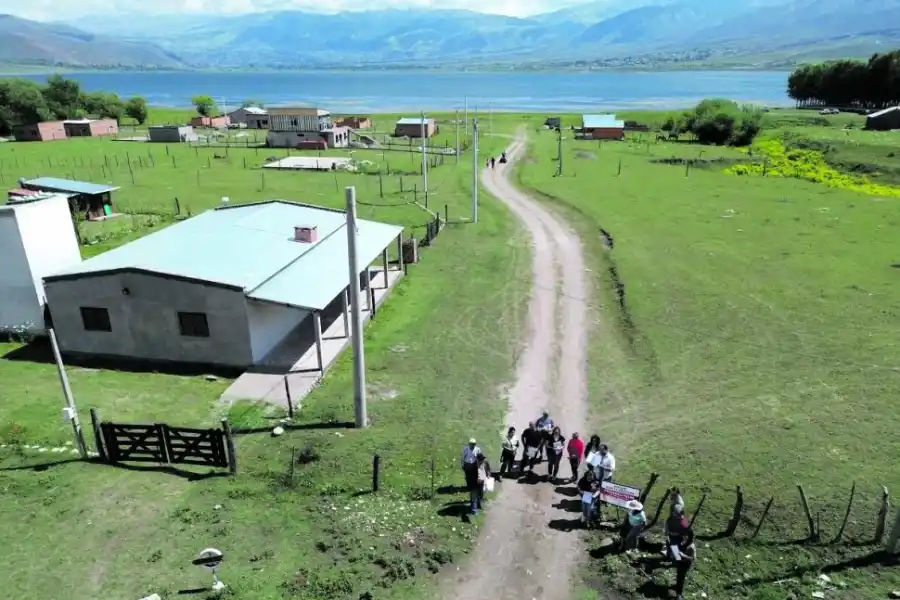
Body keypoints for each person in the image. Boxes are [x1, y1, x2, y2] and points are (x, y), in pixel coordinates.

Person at [673, 529, 696, 600]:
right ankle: (676, 586)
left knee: (681, 579)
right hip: (680, 562)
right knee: (678, 575)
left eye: (685, 535)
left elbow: (692, 558)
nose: (683, 536)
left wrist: (683, 555)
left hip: (685, 564)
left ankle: (679, 594)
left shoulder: (691, 546)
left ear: (689, 536)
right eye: (683, 535)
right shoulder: (683, 541)